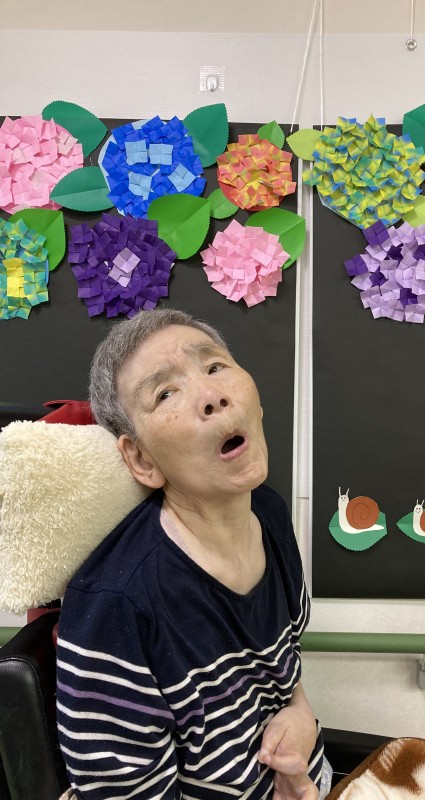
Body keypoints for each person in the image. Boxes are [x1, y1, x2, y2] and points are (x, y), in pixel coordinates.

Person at [56, 308, 328, 800]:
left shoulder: (268, 511)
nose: (211, 395)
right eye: (165, 393)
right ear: (141, 458)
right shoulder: (116, 604)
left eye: (215, 366)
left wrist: (299, 713)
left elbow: (286, 664)